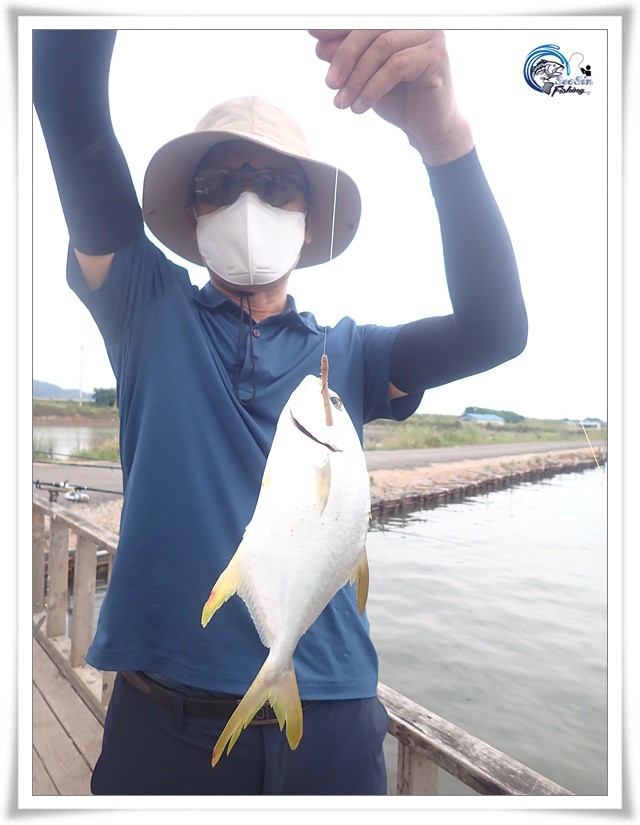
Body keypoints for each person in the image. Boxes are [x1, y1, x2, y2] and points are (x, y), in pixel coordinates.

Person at [33, 28, 528, 796]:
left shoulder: (351, 355)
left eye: (274, 183)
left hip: (331, 722)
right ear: (193, 213)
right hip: (162, 726)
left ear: (307, 216)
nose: (247, 199)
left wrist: (443, 137)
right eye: (220, 183)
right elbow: (66, 100)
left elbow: (496, 329)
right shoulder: (144, 306)